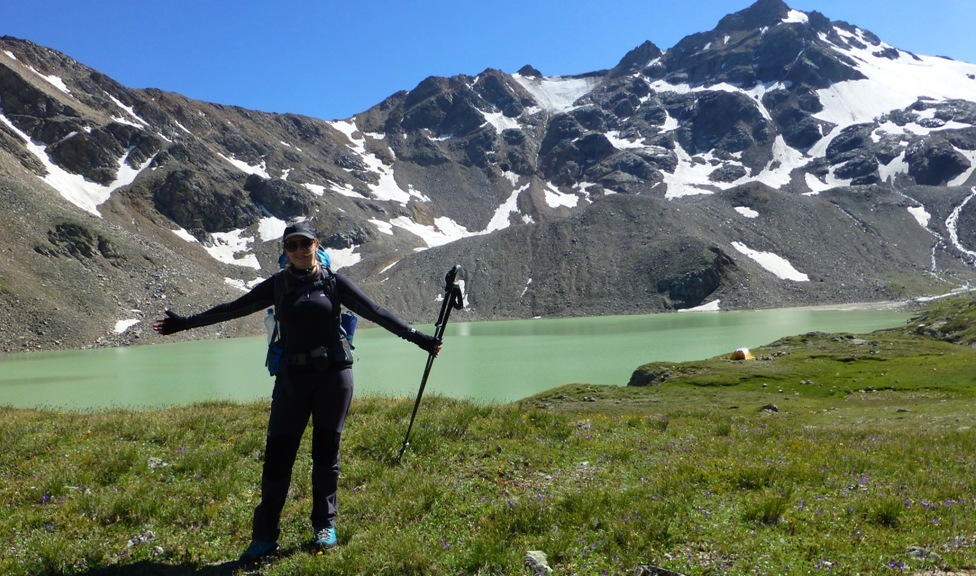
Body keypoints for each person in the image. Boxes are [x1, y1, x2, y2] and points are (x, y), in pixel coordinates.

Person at [153, 221, 440, 562]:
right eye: (293, 245)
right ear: (285, 251)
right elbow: (233, 308)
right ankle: (264, 536)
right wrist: (185, 322)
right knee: (277, 457)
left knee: (325, 455)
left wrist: (419, 338)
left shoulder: (333, 283)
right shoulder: (277, 285)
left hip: (334, 377)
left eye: (306, 244)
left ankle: (324, 525)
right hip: (291, 380)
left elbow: (375, 312)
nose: (301, 250)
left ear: (317, 245)